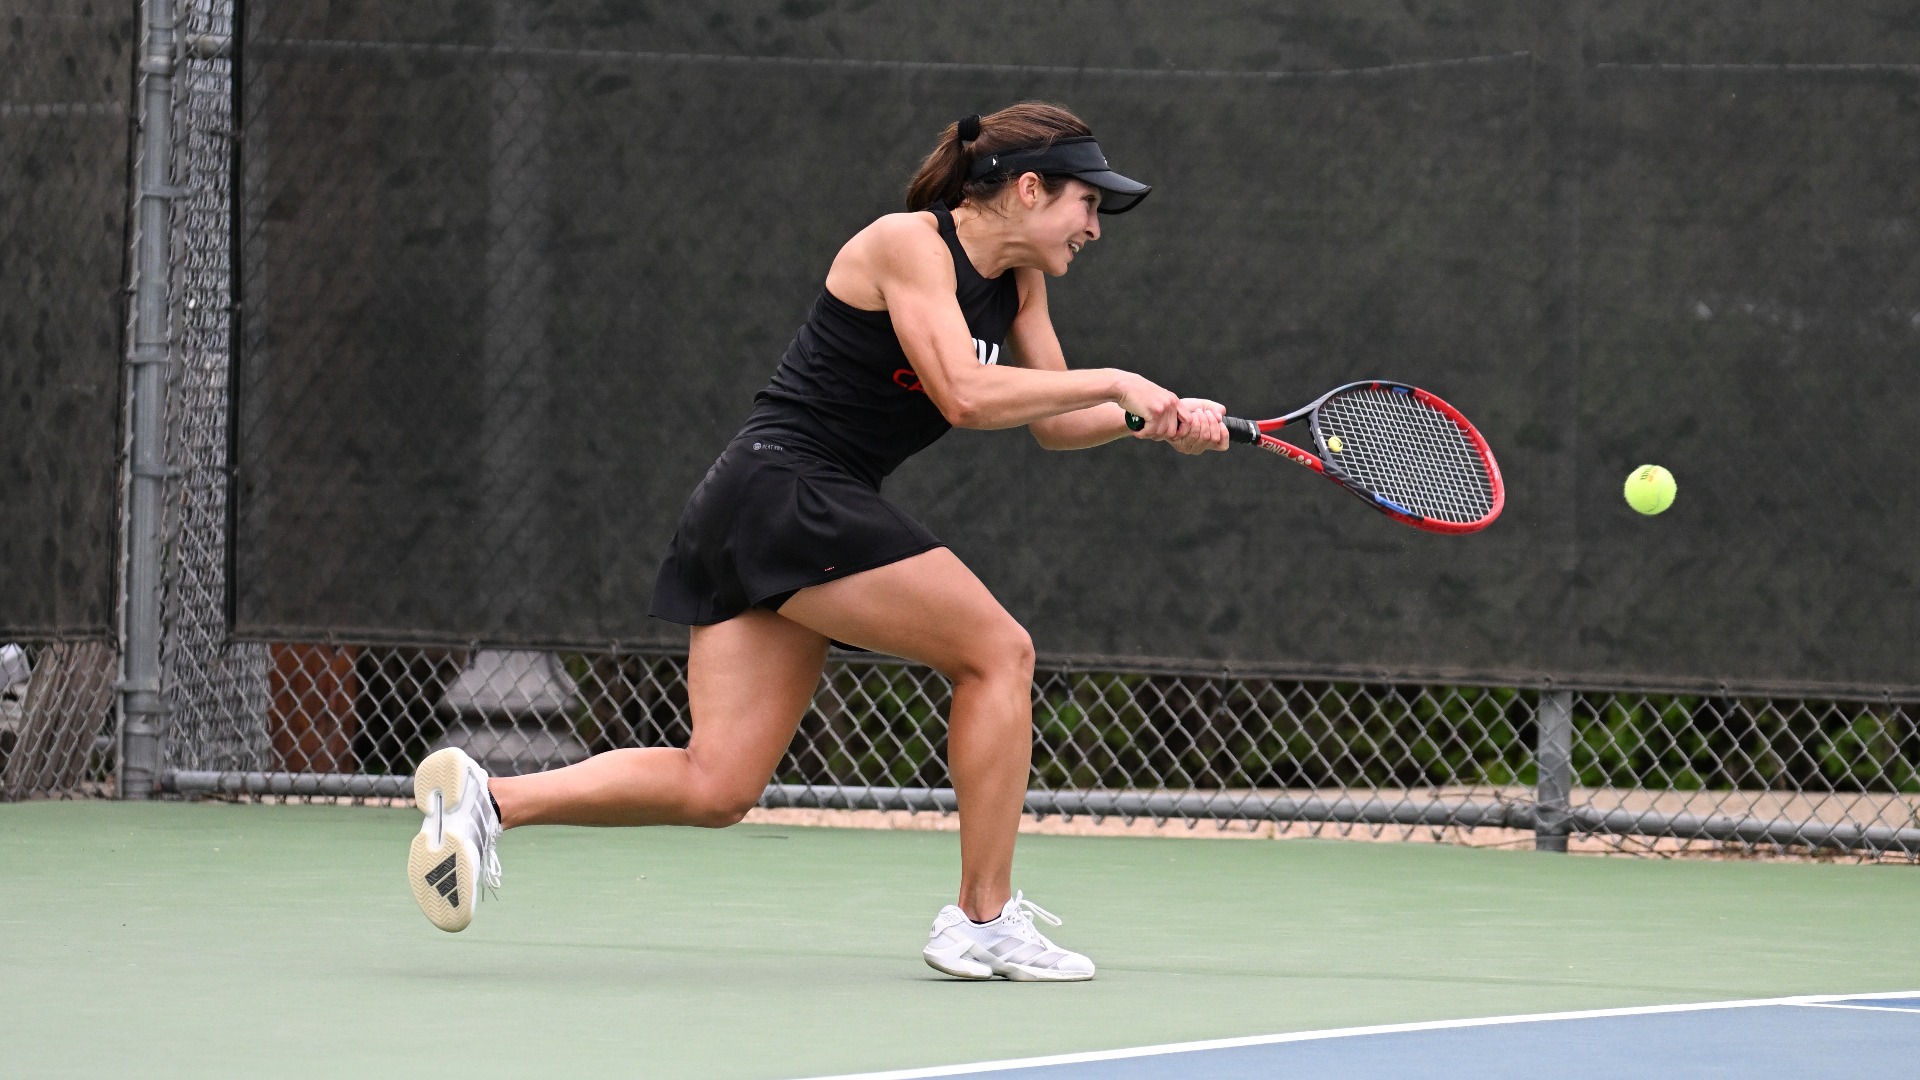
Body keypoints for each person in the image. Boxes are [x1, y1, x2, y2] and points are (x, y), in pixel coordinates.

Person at [407, 102, 1229, 981]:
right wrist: (1119, 381)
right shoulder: (909, 244)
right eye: (1086, 204)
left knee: (718, 785)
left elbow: (1056, 421)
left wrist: (1152, 420)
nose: (1094, 227)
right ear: (1029, 189)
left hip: (768, 509)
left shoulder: (1021, 284)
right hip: (786, 489)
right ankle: (982, 919)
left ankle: (487, 800)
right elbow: (961, 394)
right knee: (999, 653)